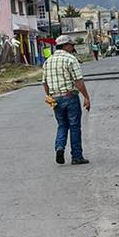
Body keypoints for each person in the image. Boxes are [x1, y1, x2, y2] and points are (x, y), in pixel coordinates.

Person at [43, 31, 91, 165]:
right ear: (65, 46)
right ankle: (76, 156)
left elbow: (44, 82)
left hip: (55, 98)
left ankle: (59, 147)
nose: (72, 48)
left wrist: (49, 96)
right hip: (70, 96)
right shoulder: (70, 59)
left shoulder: (48, 62)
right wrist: (86, 97)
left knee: (62, 125)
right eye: (71, 45)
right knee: (74, 126)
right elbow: (78, 81)